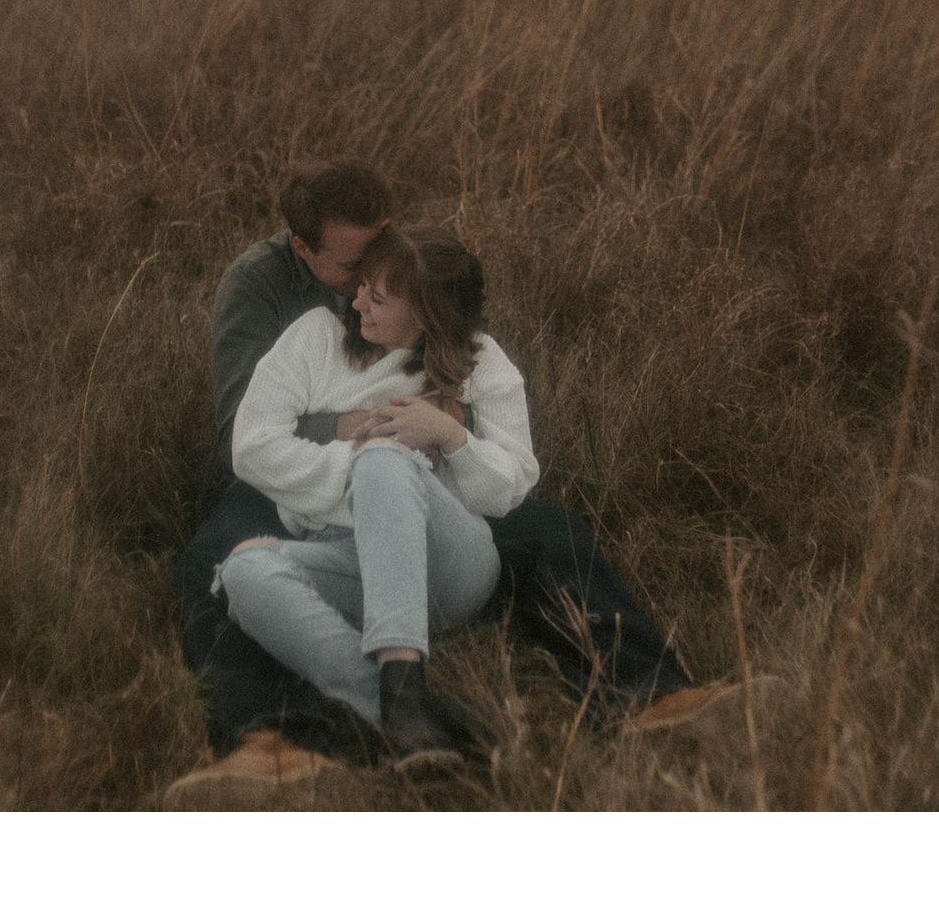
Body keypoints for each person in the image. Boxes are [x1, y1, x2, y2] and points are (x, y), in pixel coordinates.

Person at [164, 161, 733, 809]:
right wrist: (355, 438)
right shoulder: (274, 300)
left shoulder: (463, 339)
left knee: (552, 533)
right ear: (305, 251)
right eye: (356, 274)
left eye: (379, 275)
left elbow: (508, 473)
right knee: (224, 561)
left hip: (444, 519)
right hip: (312, 490)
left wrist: (447, 436)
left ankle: (649, 695)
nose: (359, 294)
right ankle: (288, 736)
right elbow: (246, 437)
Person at [221, 225, 534, 765]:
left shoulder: (482, 360)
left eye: (379, 298)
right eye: (362, 284)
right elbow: (251, 448)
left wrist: (450, 437)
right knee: (242, 571)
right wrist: (357, 464)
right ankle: (398, 708)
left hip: (450, 564)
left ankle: (400, 675)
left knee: (385, 458)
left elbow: (512, 486)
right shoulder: (315, 337)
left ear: (426, 315)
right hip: (350, 561)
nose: (357, 301)